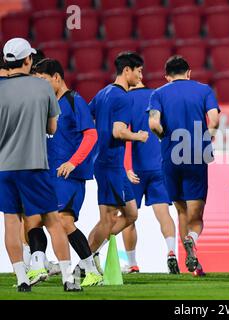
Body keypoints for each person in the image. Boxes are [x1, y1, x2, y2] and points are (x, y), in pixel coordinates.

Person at [0, 38, 80, 292]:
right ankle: (68, 278)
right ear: (28, 60)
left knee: (11, 222)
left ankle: (22, 278)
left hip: (3, 167)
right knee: (52, 220)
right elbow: (51, 128)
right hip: (34, 164)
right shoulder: (41, 87)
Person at [32, 58, 103, 286]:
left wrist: (73, 162)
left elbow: (91, 135)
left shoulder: (74, 101)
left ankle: (91, 271)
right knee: (33, 220)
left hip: (69, 176)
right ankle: (38, 266)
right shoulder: (46, 104)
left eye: (43, 80)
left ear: (57, 77)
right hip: (48, 174)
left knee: (64, 221)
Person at [148, 55, 220, 276]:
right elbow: (214, 120)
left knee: (181, 210)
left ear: (167, 77)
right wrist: (210, 137)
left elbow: (153, 123)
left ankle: (193, 262)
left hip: (171, 156)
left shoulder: (158, 93)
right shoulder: (204, 90)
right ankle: (192, 240)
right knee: (196, 216)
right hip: (197, 154)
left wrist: (163, 137)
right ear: (189, 72)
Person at [87, 52, 148, 272]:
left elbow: (86, 114)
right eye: (139, 71)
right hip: (110, 164)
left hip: (111, 164)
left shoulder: (104, 93)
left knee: (131, 213)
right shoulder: (122, 97)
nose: (141, 77)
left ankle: (90, 250)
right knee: (108, 219)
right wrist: (139, 136)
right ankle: (85, 261)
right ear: (127, 71)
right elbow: (118, 131)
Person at [122, 80, 180, 274]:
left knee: (128, 218)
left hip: (135, 169)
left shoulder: (124, 98)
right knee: (164, 213)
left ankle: (132, 264)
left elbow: (123, 134)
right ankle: (172, 251)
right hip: (159, 166)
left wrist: (126, 167)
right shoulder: (158, 96)